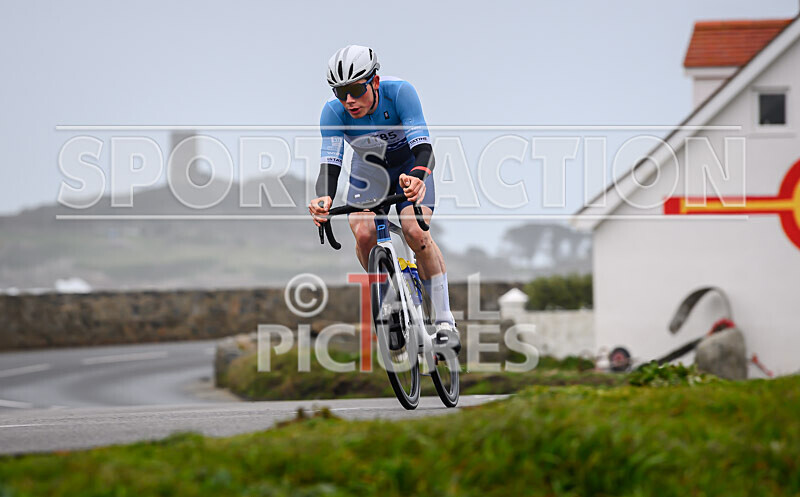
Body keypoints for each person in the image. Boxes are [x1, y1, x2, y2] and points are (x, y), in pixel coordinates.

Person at [308, 44, 460, 353]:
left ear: (374, 81)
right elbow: (330, 163)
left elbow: (424, 148)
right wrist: (323, 198)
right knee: (363, 232)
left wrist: (418, 177)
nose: (349, 100)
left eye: (355, 90)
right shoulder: (333, 112)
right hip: (369, 171)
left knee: (416, 231)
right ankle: (390, 302)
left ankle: (445, 322)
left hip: (408, 166)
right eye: (340, 93)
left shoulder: (400, 93)